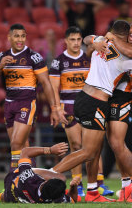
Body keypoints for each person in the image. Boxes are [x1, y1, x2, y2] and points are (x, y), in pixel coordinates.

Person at [51, 20, 132, 202]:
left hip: (83, 97)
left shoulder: (100, 42)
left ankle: (92, 192)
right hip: (96, 102)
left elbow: (87, 41)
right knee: (88, 151)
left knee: (93, 150)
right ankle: (46, 174)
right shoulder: (129, 59)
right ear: (126, 37)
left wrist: (94, 40)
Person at [0, 23, 60, 172]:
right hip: (9, 104)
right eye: (16, 36)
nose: (20, 39)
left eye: (23, 36)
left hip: (27, 102)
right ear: (9, 37)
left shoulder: (33, 57)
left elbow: (46, 84)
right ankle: (28, 179)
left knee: (15, 143)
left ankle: (13, 181)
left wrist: (54, 108)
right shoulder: (2, 56)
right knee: (23, 145)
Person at [103, 14, 132, 201]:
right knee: (113, 143)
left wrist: (112, 37)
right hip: (111, 94)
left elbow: (131, 53)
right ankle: (126, 187)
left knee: (117, 143)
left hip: (125, 96)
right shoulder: (121, 42)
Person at [49, 26, 90, 197]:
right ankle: (78, 182)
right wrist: (57, 109)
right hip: (69, 107)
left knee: (91, 146)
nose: (75, 43)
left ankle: (97, 183)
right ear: (65, 41)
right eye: (72, 39)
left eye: (78, 39)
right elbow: (53, 88)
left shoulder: (89, 60)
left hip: (88, 105)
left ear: (82, 40)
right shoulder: (58, 61)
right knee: (76, 145)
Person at [0, 142, 80, 203]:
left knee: (61, 178)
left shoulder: (29, 179)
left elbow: (25, 152)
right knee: (11, 196)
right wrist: (73, 187)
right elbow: (73, 199)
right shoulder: (54, 199)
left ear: (44, 182)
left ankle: (0, 196)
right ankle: (0, 197)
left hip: (11, 180)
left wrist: (50, 150)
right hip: (12, 196)